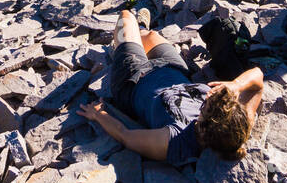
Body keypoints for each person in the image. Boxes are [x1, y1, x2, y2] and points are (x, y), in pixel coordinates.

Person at [77, 9, 263, 165]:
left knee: (126, 16)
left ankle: (123, 43)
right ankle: (138, 32)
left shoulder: (174, 140)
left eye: (206, 105)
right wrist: (235, 85)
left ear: (203, 125)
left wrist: (98, 115)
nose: (208, 96)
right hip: (172, 68)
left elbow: (125, 135)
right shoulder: (239, 125)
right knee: (151, 36)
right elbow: (258, 80)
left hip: (133, 77)